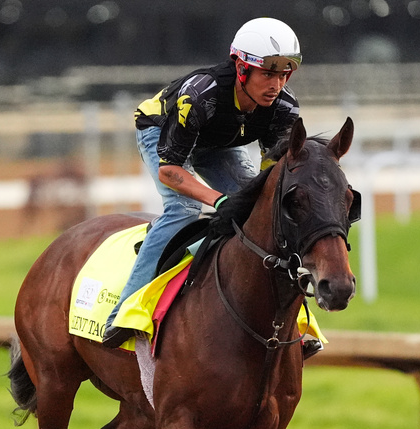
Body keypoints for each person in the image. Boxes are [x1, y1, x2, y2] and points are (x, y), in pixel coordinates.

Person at [101, 17, 304, 349]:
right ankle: (123, 312)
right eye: (268, 74)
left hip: (218, 143)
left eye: (284, 75)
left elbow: (272, 178)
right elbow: (170, 171)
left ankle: (294, 321)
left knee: (263, 211)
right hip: (161, 130)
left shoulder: (283, 107)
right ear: (241, 68)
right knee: (185, 207)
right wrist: (218, 200)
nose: (276, 85)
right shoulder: (201, 95)